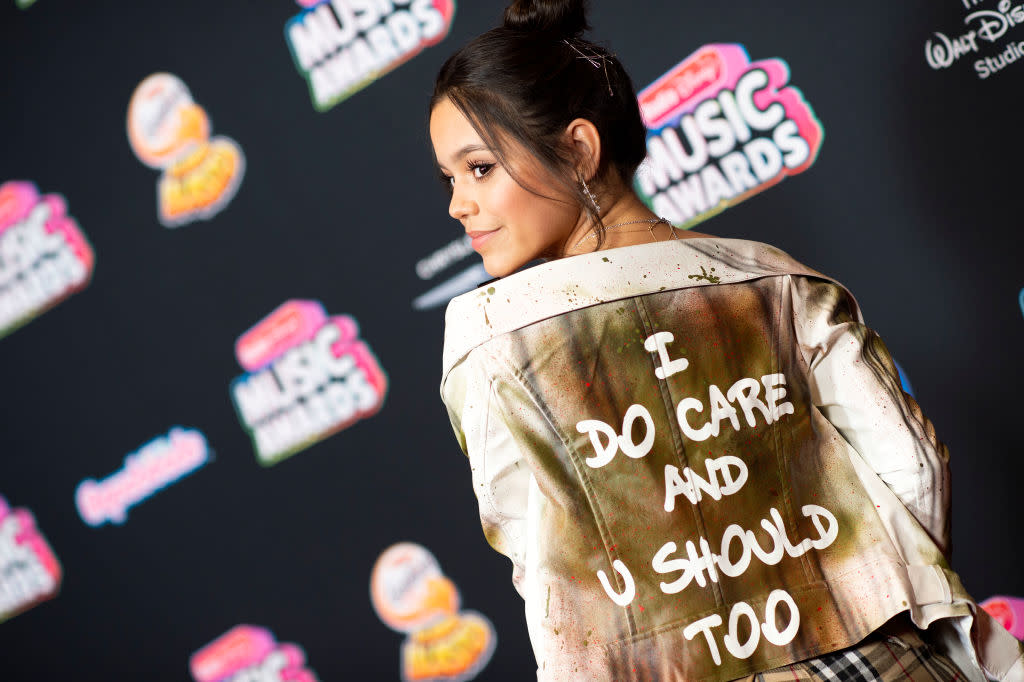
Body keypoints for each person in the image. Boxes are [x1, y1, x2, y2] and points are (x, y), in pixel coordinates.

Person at [431, 1, 1024, 680]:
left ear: (579, 149)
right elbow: (915, 468)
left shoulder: (490, 341)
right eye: (448, 178)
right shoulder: (778, 280)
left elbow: (549, 570)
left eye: (479, 169)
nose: (457, 204)